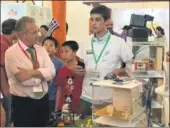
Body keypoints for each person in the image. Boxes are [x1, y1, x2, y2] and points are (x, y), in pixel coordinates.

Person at [80, 5, 133, 116]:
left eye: (98, 20)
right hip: (86, 96)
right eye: (92, 19)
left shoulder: (119, 43)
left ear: (107, 21)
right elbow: (81, 64)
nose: (93, 23)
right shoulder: (85, 42)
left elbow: (131, 66)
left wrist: (121, 71)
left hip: (109, 98)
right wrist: (77, 70)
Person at [5, 16, 55, 127]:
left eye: (37, 31)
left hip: (43, 101)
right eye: (34, 32)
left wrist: (31, 73)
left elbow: (52, 72)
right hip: (23, 104)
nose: (38, 35)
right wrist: (44, 76)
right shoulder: (11, 53)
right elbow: (24, 80)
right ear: (22, 35)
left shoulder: (40, 49)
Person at [55, 41, 85, 114]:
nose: (63, 55)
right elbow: (59, 90)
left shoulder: (82, 69)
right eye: (62, 52)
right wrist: (56, 109)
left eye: (66, 51)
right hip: (64, 107)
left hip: (80, 106)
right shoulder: (62, 70)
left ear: (75, 52)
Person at [0, 18, 17, 127]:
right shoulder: (2, 44)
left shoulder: (6, 43)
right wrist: (5, 88)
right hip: (3, 87)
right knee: (6, 114)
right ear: (14, 31)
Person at [42, 36, 63, 116]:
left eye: (51, 45)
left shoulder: (59, 64)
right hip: (39, 97)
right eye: (45, 45)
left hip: (52, 99)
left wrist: (57, 106)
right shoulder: (38, 62)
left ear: (56, 49)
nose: (48, 47)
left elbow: (60, 87)